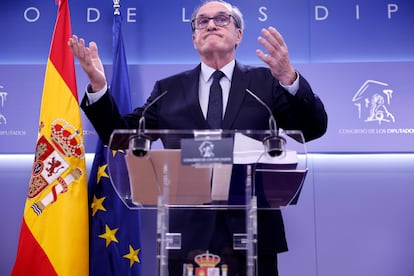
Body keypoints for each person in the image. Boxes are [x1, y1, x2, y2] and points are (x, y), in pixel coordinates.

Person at [68, 0, 328, 275]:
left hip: (253, 237)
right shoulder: (168, 89)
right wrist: (98, 86)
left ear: (238, 35)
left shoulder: (267, 83)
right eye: (202, 22)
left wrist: (289, 77)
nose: (211, 24)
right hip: (186, 239)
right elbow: (118, 136)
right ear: (194, 38)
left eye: (221, 19)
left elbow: (312, 129)